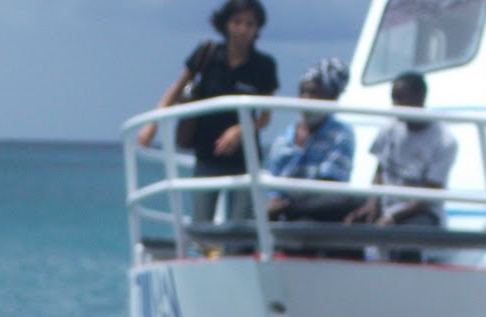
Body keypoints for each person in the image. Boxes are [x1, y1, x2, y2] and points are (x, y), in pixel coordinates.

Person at [138, 0, 279, 226]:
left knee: (238, 226)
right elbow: (176, 88)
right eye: (238, 22)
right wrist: (152, 125)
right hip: (207, 153)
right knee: (201, 225)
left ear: (257, 28)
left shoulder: (264, 66)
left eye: (250, 24)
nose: (243, 29)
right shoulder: (208, 54)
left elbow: (265, 117)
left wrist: (240, 130)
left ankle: (234, 258)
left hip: (244, 158)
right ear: (226, 24)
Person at [345, 71, 459, 245]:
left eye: (400, 98)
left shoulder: (444, 141)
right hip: (386, 203)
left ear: (420, 97)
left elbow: (428, 196)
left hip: (419, 212)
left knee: (408, 234)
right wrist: (372, 203)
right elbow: (380, 170)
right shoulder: (390, 126)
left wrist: (392, 216)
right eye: (393, 99)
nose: (395, 105)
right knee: (345, 215)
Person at [263, 58, 357, 222]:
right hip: (283, 214)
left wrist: (286, 205)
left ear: (330, 98)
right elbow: (272, 183)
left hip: (321, 215)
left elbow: (329, 184)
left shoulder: (341, 135)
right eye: (303, 92)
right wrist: (273, 202)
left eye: (313, 93)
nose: (306, 98)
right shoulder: (284, 138)